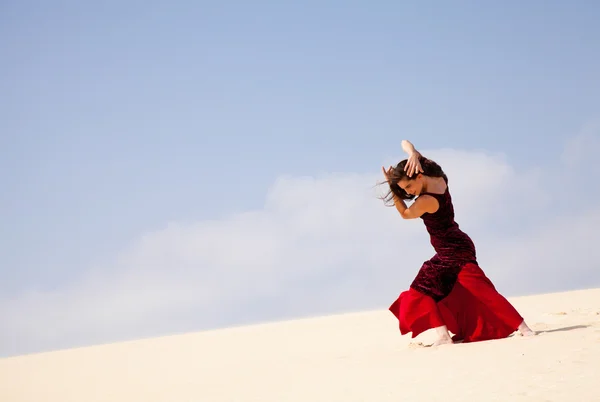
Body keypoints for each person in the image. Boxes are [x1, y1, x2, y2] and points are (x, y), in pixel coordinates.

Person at [382, 139, 535, 346]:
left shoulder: (426, 200)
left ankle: (524, 329)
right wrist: (413, 153)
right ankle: (445, 335)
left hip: (453, 252)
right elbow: (404, 142)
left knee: (476, 290)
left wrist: (393, 190)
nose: (409, 192)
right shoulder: (437, 177)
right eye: (404, 190)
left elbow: (405, 215)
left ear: (418, 175)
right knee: (434, 290)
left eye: (409, 186)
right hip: (454, 247)